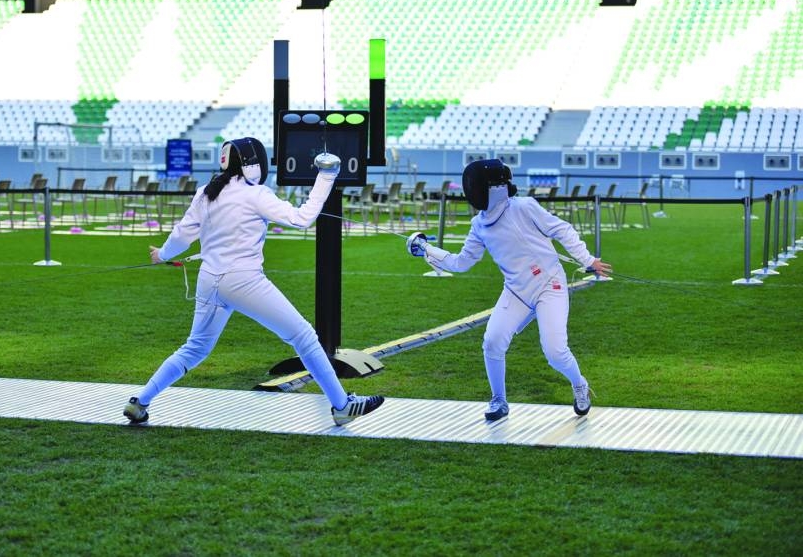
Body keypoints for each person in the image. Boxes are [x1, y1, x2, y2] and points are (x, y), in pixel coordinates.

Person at [124, 137, 385, 427]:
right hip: (243, 281)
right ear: (253, 165)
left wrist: (162, 254)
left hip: (209, 281)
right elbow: (301, 219)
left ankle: (140, 402)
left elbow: (181, 237)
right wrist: (326, 176)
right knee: (304, 336)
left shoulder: (205, 193)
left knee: (194, 348)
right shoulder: (255, 194)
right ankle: (342, 406)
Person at [408, 159, 611, 421]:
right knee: (492, 342)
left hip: (550, 287)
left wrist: (587, 259)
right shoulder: (479, 224)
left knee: (555, 353)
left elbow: (562, 229)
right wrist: (426, 248)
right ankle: (499, 400)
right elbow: (460, 263)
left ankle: (579, 384)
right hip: (517, 291)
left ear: (493, 187)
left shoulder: (524, 207)